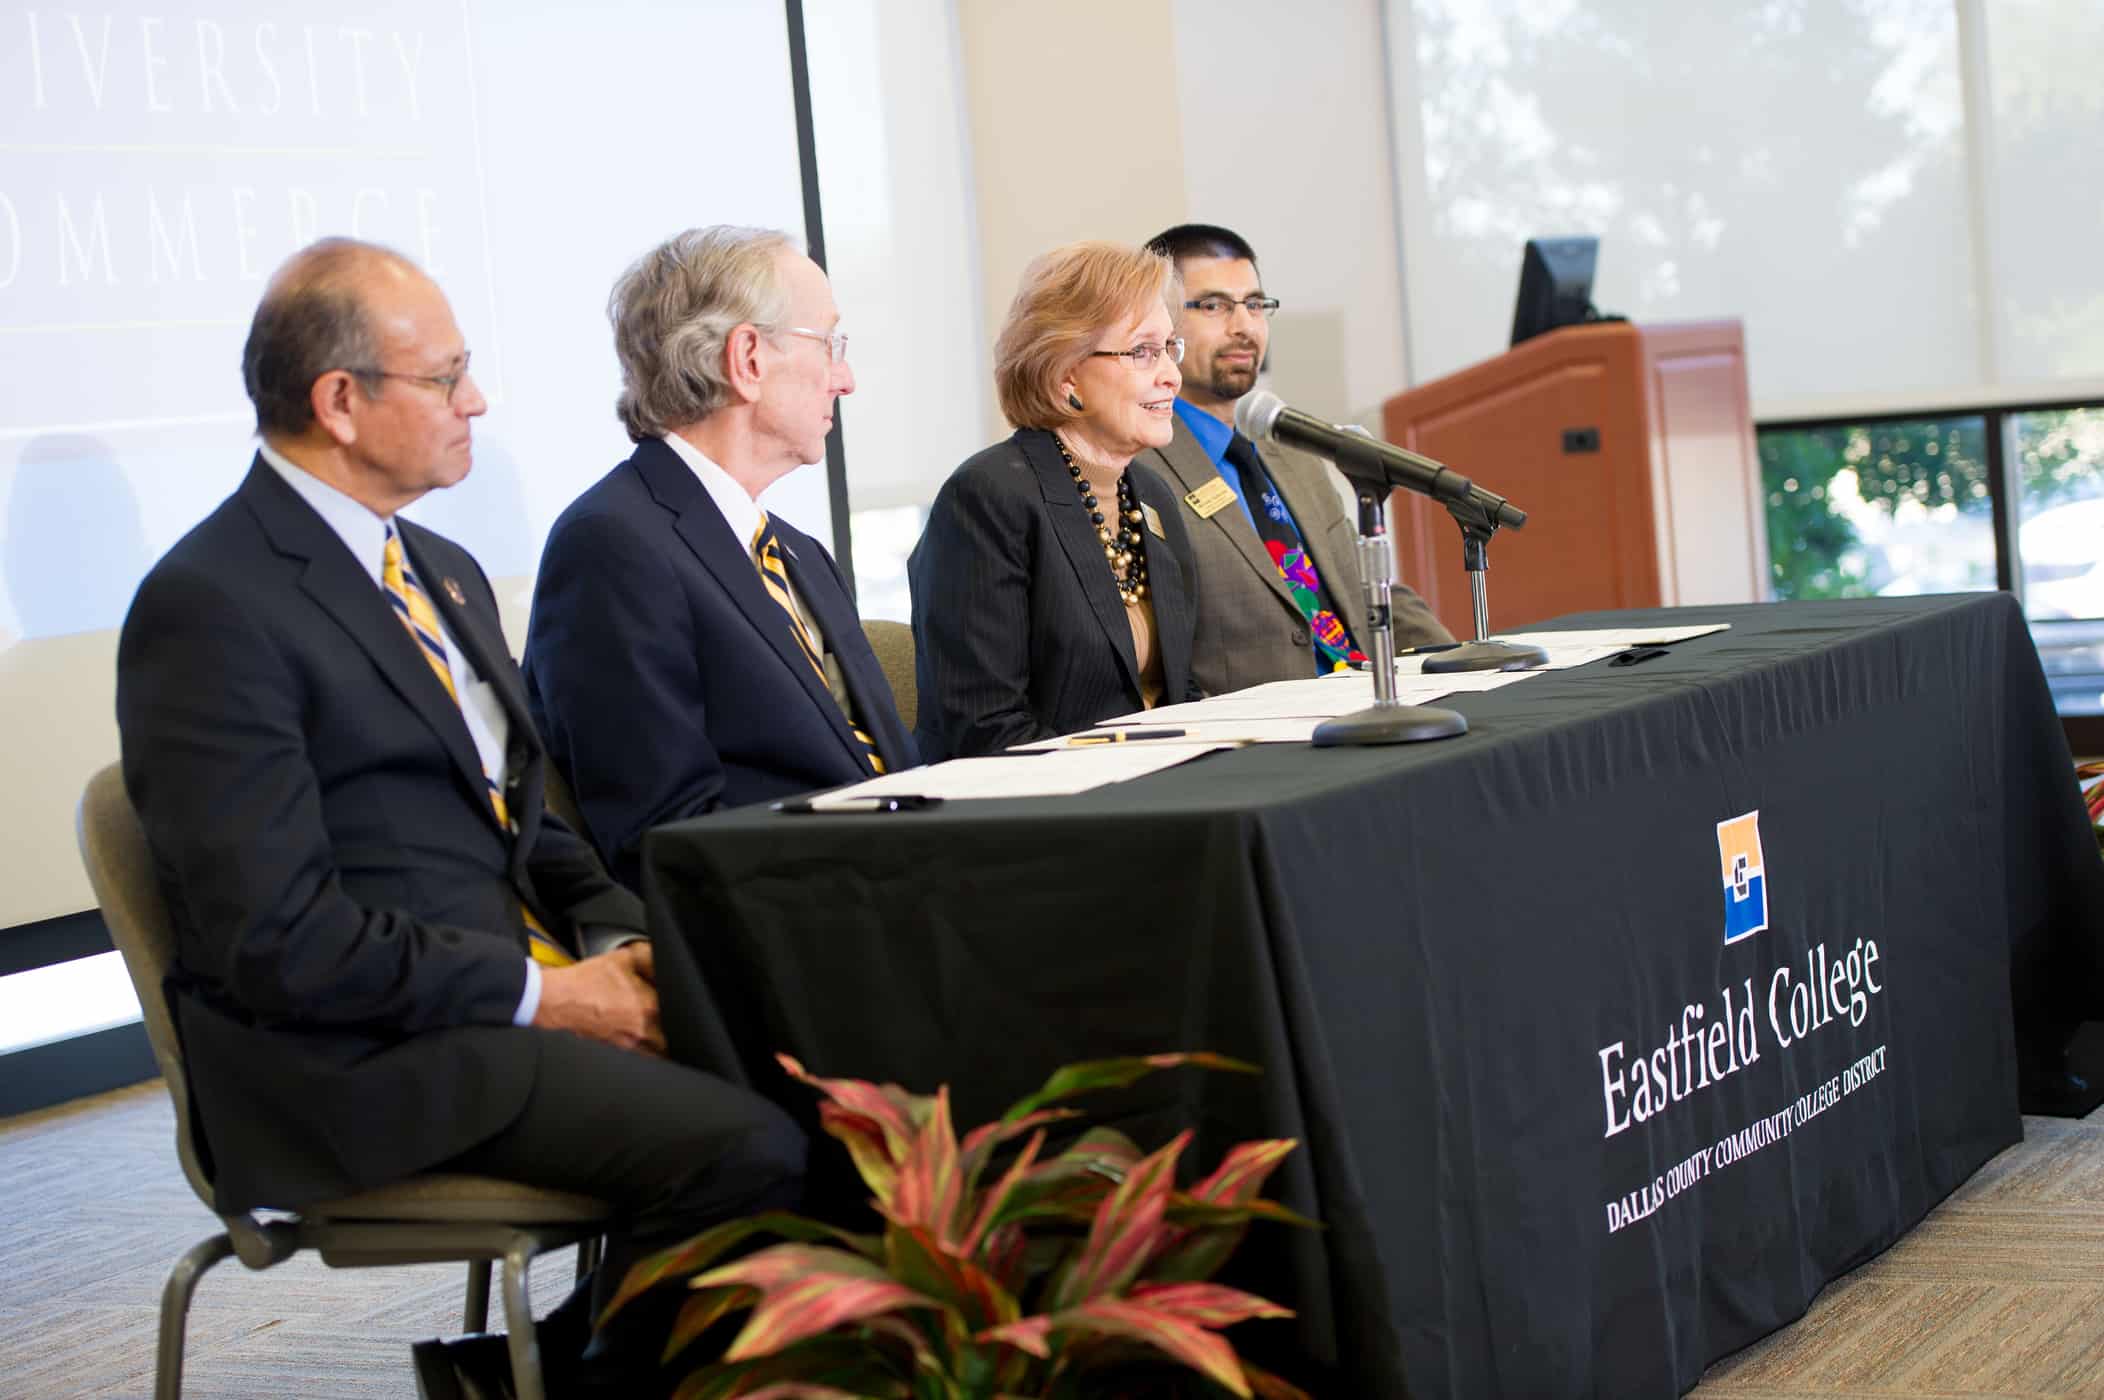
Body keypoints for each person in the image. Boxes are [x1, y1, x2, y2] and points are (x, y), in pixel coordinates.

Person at [114, 238, 803, 1397]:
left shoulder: (440, 565)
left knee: (831, 1066)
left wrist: (643, 942)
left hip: (496, 1001)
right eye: (445, 378)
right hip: (356, 1060)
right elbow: (278, 937)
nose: (475, 400)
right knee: (755, 1148)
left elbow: (527, 833)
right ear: (340, 402)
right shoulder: (212, 606)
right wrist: (551, 993)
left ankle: (529, 1369)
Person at [524, 227, 915, 888]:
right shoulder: (611, 546)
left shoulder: (799, 551)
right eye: (829, 344)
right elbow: (668, 835)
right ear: (748, 359)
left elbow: (894, 774)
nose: (844, 379)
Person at [909, 242, 1202, 760]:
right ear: (1066, 375)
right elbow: (986, 733)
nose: (1172, 375)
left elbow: (1180, 695)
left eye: (1170, 348)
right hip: (1045, 816)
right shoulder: (988, 498)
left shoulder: (1151, 496)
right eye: (1142, 352)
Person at [1139, 223, 1451, 695]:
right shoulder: (1141, 465)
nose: (1244, 326)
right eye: (1214, 305)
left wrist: (1457, 666)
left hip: (1371, 700)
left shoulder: (1294, 449)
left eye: (1255, 304)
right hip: (1263, 732)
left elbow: (1363, 584)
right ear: (1158, 324)